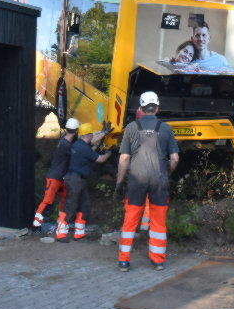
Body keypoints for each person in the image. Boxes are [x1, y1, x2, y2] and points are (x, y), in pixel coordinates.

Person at [115, 91, 179, 272]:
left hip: (136, 180)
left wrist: (119, 182)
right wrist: (167, 173)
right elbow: (174, 158)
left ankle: (123, 261)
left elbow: (124, 159)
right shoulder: (166, 128)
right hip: (159, 180)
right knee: (158, 222)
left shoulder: (131, 128)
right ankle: (158, 261)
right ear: (157, 107)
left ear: (141, 109)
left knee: (130, 220)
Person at [56, 122, 112, 242]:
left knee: (84, 205)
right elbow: (100, 159)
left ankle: (79, 233)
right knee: (70, 206)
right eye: (91, 134)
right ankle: (60, 233)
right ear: (88, 135)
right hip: (76, 180)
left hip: (76, 179)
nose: (93, 136)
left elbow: (92, 144)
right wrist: (109, 152)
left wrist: (104, 133)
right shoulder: (84, 148)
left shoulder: (78, 144)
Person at [32, 117, 80, 233]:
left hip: (60, 177)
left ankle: (60, 222)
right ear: (77, 130)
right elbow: (78, 152)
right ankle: (36, 225)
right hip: (55, 178)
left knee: (65, 198)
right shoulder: (66, 145)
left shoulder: (64, 141)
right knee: (48, 200)